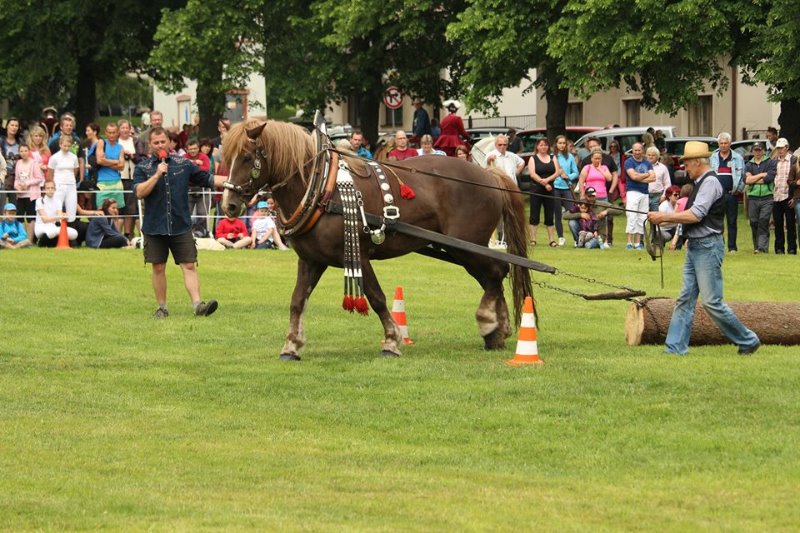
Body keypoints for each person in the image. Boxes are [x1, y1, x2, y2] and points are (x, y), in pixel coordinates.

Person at [647, 141, 760, 356]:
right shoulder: (700, 182)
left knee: (711, 302)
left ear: (697, 162)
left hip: (707, 247)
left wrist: (664, 217)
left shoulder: (709, 183)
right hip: (696, 246)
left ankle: (748, 339)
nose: (685, 169)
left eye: (687, 164)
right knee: (685, 299)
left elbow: (696, 215)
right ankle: (675, 348)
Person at [133, 127, 228, 319]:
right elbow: (139, 192)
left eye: (163, 141)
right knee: (158, 267)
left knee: (189, 265)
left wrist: (232, 181)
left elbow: (207, 179)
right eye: (156, 142)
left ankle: (198, 305)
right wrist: (156, 175)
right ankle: (162, 308)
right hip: (155, 226)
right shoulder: (142, 168)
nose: (160, 145)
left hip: (180, 224)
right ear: (150, 144)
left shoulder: (183, 164)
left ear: (169, 142)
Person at [709, 132, 745, 253]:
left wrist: (738, 190)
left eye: (725, 143)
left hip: (731, 194)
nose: (723, 145)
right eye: (721, 143)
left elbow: (743, 177)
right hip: (716, 196)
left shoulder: (738, 158)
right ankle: (719, 245)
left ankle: (732, 247)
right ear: (718, 144)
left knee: (732, 221)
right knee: (717, 221)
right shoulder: (713, 157)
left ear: (730, 144)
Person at [580, 137, 618, 245]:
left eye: (599, 158)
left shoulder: (604, 167)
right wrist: (582, 194)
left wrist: (600, 169)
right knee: (589, 217)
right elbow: (581, 181)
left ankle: (605, 240)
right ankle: (587, 238)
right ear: (591, 158)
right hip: (589, 197)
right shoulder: (587, 167)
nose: (597, 160)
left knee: (603, 219)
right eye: (595, 158)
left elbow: (609, 178)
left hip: (602, 196)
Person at [528, 137, 561, 247]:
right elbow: (532, 174)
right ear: (537, 147)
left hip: (550, 189)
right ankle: (533, 239)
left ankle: (552, 240)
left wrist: (548, 180)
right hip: (536, 189)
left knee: (550, 214)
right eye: (541, 145)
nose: (543, 147)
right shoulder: (533, 158)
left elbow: (557, 172)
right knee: (534, 214)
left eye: (545, 145)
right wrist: (544, 183)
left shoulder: (553, 157)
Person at [744, 142, 776, 254]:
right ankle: (756, 246)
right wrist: (761, 175)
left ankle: (762, 248)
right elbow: (747, 181)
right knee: (754, 222)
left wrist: (753, 179)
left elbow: (769, 178)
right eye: (755, 150)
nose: (757, 152)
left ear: (763, 151)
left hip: (767, 197)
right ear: (752, 151)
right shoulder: (748, 164)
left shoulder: (770, 162)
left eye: (759, 150)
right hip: (753, 198)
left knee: (763, 221)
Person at [624, 142, 655, 250]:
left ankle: (637, 243)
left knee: (642, 217)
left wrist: (639, 177)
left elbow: (653, 178)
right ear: (632, 150)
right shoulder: (629, 162)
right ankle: (629, 242)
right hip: (633, 191)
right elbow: (633, 176)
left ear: (642, 151)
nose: (637, 152)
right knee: (631, 215)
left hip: (645, 193)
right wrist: (646, 175)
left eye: (639, 150)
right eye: (635, 150)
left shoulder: (647, 163)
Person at [95, 122, 126, 226]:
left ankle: (116, 235)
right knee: (101, 211)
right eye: (109, 132)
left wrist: (106, 161)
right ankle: (102, 234)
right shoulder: (101, 142)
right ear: (106, 132)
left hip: (117, 182)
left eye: (113, 132)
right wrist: (115, 162)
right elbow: (99, 161)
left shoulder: (120, 147)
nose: (111, 135)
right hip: (102, 182)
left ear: (117, 133)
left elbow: (122, 166)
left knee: (116, 213)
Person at [13, 144, 46, 239]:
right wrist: (17, 186)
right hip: (20, 195)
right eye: (21, 151)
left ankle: (30, 239)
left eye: (25, 151)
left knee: (31, 217)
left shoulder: (34, 163)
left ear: (29, 152)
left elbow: (39, 178)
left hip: (31, 195)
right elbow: (16, 179)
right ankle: (22, 238)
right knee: (20, 217)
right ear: (19, 152)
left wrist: (27, 183)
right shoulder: (18, 163)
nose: (24, 153)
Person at [770, 138, 797, 254]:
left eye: (782, 148)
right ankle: (779, 248)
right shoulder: (774, 161)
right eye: (778, 148)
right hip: (776, 196)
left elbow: (796, 178)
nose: (780, 150)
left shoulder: (793, 160)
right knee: (778, 223)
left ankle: (791, 248)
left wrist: (794, 197)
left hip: (788, 196)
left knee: (790, 223)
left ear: (787, 148)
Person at [553, 134, 579, 246]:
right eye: (560, 143)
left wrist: (568, 176)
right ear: (556, 144)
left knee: (572, 213)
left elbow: (576, 172)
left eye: (564, 143)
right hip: (555, 187)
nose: (562, 145)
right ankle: (561, 237)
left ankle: (576, 238)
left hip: (567, 187)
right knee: (557, 214)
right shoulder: (553, 157)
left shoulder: (570, 157)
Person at [47, 135, 80, 224]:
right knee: (57, 209)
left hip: (71, 186)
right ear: (60, 145)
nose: (66, 148)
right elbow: (50, 173)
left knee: (71, 210)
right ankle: (56, 228)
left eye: (68, 146)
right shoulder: (54, 157)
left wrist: (70, 180)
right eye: (64, 146)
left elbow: (75, 170)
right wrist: (52, 186)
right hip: (58, 185)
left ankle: (70, 228)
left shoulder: (74, 157)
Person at [117, 119, 139, 240]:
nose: (125, 130)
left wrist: (131, 156)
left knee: (131, 207)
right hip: (119, 177)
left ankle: (128, 234)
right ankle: (117, 235)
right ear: (119, 129)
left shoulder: (135, 141)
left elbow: (140, 158)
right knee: (119, 207)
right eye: (123, 128)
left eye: (127, 128)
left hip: (132, 177)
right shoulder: (116, 142)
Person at [185, 139, 212, 235]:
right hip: (188, 189)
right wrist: (196, 163)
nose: (193, 151)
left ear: (198, 148)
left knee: (202, 213)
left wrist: (190, 164)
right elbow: (183, 170)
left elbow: (206, 170)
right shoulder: (183, 157)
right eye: (190, 149)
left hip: (202, 188)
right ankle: (186, 232)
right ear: (186, 149)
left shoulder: (204, 157)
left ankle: (201, 232)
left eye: (195, 148)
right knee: (186, 212)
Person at [1, 118, 22, 206]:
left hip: (16, 178)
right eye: (12, 125)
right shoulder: (1, 141)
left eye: (16, 126)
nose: (14, 127)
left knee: (14, 207)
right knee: (1, 206)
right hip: (3, 178)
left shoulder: (20, 142)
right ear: (7, 126)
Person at [656, 184, 682, 249]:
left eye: (678, 194)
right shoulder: (663, 206)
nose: (678, 196)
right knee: (667, 236)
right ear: (669, 196)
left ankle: (676, 248)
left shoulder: (678, 204)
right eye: (675, 195)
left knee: (681, 228)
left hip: (672, 228)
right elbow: (660, 223)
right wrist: (673, 221)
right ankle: (657, 243)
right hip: (662, 230)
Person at [647, 145, 671, 211]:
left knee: (656, 216)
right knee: (643, 216)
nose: (650, 157)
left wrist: (664, 195)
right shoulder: (642, 166)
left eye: (653, 155)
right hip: (645, 195)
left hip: (658, 196)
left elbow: (667, 183)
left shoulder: (663, 168)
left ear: (657, 156)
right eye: (649, 155)